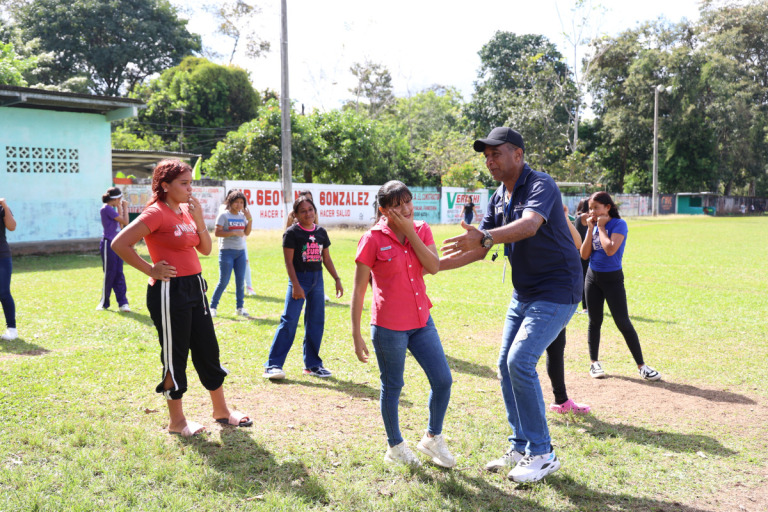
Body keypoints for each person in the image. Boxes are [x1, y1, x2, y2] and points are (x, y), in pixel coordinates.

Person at [440, 127, 582, 483]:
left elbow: (529, 225)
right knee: (506, 365)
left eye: (496, 154)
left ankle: (543, 453)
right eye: (486, 156)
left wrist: (486, 236)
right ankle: (520, 446)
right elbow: (480, 247)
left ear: (518, 154)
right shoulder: (498, 196)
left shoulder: (540, 184)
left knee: (520, 361)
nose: (489, 161)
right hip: (524, 293)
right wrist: (434, 266)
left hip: (557, 289)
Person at [112, 160, 252, 437]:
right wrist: (150, 269)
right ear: (165, 186)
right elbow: (120, 243)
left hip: (195, 287)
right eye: (184, 183)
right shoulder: (156, 213)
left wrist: (198, 219)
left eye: (191, 183)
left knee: (208, 349)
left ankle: (221, 411)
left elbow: (206, 249)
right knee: (175, 355)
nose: (190, 189)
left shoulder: (186, 211)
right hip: (169, 291)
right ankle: (177, 421)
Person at [351, 181, 455, 468]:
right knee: (393, 385)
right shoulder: (371, 239)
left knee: (443, 380)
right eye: (397, 205)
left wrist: (410, 232)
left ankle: (432, 437)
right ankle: (395, 446)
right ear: (384, 210)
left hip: (421, 321)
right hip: (388, 327)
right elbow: (359, 289)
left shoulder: (421, 229)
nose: (406, 208)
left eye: (408, 201)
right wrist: (356, 333)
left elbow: (433, 266)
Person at [579, 191, 662, 382]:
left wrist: (601, 228)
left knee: (623, 322)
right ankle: (594, 363)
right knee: (594, 321)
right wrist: (590, 229)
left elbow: (610, 249)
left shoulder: (619, 224)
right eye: (590, 209)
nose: (592, 212)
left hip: (613, 279)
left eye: (596, 208)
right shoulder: (593, 225)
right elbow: (584, 255)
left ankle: (642, 366)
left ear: (608, 207)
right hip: (592, 277)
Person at [263, 196, 342, 380]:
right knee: (289, 321)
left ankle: (313, 365)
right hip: (299, 280)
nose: (308, 214)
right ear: (296, 215)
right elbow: (289, 262)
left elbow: (326, 258)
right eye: (303, 211)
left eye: (310, 209)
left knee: (316, 322)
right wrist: (296, 285)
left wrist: (337, 279)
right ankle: (273, 365)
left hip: (317, 280)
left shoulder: (321, 232)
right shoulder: (292, 233)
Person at [547, 204, 591, 415]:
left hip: (557, 293)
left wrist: (563, 217)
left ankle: (561, 400)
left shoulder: (559, 220)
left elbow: (577, 243)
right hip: (541, 293)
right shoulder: (529, 222)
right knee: (526, 356)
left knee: (556, 347)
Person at [209, 190, 252, 318]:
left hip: (240, 252)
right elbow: (217, 233)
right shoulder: (224, 215)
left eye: (241, 202)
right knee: (224, 281)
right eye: (236, 202)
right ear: (230, 202)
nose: (239, 205)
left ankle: (240, 308)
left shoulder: (242, 216)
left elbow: (247, 232)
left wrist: (249, 218)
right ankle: (213, 307)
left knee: (240, 282)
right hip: (226, 252)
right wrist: (233, 232)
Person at [97, 187, 131, 312]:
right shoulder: (106, 209)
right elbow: (126, 221)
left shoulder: (113, 209)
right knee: (110, 273)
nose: (121, 201)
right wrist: (125, 207)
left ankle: (123, 303)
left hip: (118, 244)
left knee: (119, 273)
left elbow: (121, 226)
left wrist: (120, 207)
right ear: (116, 199)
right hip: (108, 244)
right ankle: (104, 303)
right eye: (120, 199)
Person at [0, 198, 18, 341]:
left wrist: (5, 206)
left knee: (4, 292)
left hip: (2, 256)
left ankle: (12, 330)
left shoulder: (2, 208)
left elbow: (12, 227)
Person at [574, 198, 590, 314]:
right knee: (585, 280)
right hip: (583, 252)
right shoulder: (584, 216)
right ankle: (586, 307)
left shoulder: (578, 216)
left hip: (580, 252)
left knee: (582, 279)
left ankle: (583, 306)